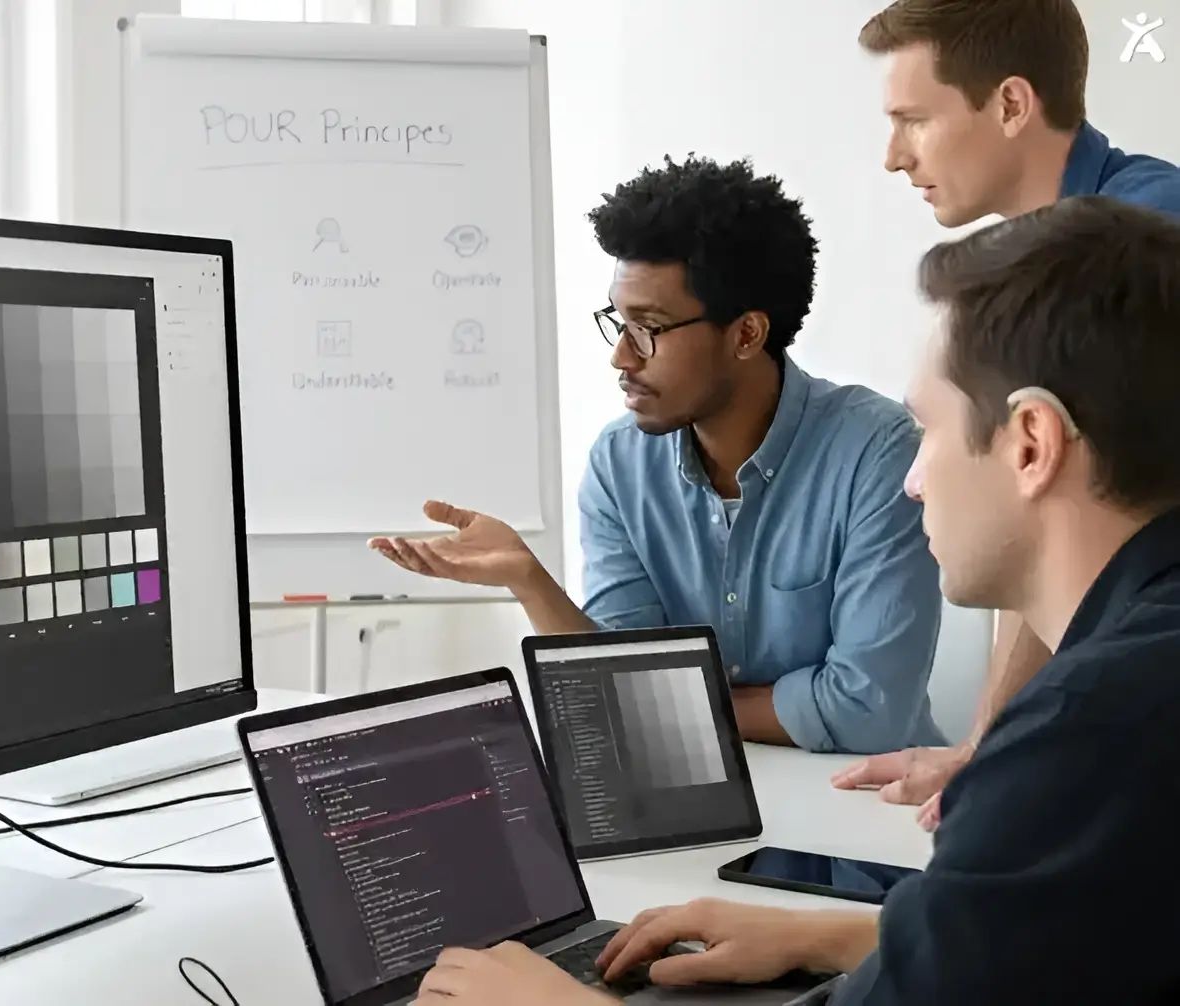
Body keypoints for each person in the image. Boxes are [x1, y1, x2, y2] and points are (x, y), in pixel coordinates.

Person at [413, 195, 1180, 1006]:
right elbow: (1043, 937)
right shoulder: (1135, 677)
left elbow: (866, 716)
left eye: (931, 430)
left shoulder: (1081, 738)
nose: (914, 481)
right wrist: (831, 935)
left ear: (1030, 444)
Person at [371, 155, 943, 755]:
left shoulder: (878, 454)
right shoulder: (619, 467)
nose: (622, 355)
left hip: (856, 826)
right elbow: (612, 688)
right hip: (700, 820)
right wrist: (528, 578)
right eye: (618, 322)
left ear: (746, 334)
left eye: (648, 328)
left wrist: (664, 702)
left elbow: (867, 710)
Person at [835, 0, 1180, 826]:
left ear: (1013, 105)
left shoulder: (1137, 245)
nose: (893, 157)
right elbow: (1036, 533)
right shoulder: (1047, 264)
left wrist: (1002, 753)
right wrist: (993, 746)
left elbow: (1072, 518)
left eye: (914, 119)